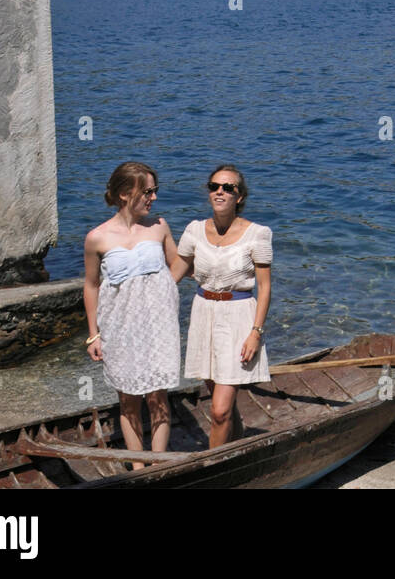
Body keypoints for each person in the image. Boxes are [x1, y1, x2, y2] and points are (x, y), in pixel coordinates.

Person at [83, 162, 182, 467]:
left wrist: (162, 292)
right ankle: (138, 467)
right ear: (125, 194)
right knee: (128, 400)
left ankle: (159, 463)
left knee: (157, 397)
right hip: (119, 326)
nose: (153, 197)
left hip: (157, 324)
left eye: (155, 190)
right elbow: (91, 286)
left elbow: (178, 264)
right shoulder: (97, 238)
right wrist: (93, 334)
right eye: (147, 191)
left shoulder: (159, 226)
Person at [172, 165, 272, 448]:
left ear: (239, 197)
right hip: (204, 314)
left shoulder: (258, 234)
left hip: (239, 317)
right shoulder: (194, 230)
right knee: (221, 405)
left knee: (218, 411)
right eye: (214, 186)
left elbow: (264, 287)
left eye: (228, 188)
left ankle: (212, 469)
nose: (220, 191)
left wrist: (256, 331)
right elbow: (173, 275)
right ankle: (236, 446)